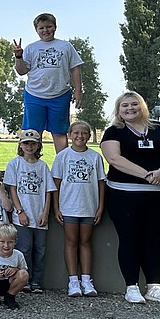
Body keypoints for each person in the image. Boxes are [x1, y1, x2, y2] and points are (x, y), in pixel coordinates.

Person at [99, 91, 160, 305]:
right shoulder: (113, 132)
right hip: (123, 196)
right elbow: (114, 159)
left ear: (142, 106)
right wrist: (146, 174)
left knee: (153, 241)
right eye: (124, 105)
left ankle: (154, 287)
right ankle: (132, 287)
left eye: (134, 104)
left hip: (158, 196)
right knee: (129, 239)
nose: (130, 109)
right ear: (118, 110)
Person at [12, 12, 83, 153]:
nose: (45, 30)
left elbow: (75, 69)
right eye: (41, 28)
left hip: (60, 95)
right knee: (31, 134)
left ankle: (61, 168)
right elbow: (21, 71)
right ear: (36, 30)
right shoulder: (31, 48)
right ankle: (28, 166)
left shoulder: (65, 46)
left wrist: (78, 90)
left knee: (59, 133)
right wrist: (18, 56)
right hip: (34, 95)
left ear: (55, 27)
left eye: (49, 27)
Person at [52, 121, 106, 298]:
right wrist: (56, 207)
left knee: (86, 242)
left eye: (84, 133)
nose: (80, 136)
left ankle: (86, 280)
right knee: (71, 242)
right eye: (76, 133)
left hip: (89, 207)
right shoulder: (63, 156)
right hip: (68, 207)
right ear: (69, 135)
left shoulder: (95, 157)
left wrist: (100, 207)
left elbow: (100, 183)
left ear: (89, 137)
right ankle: (73, 280)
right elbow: (56, 184)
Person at [4, 130, 55, 294]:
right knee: (24, 249)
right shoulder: (15, 164)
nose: (29, 146)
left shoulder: (43, 166)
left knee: (40, 250)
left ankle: (36, 282)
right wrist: (20, 211)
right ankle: (24, 279)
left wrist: (46, 212)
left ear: (38, 145)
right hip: (22, 216)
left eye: (33, 143)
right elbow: (13, 190)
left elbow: (48, 191)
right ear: (20, 145)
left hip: (39, 215)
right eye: (26, 143)